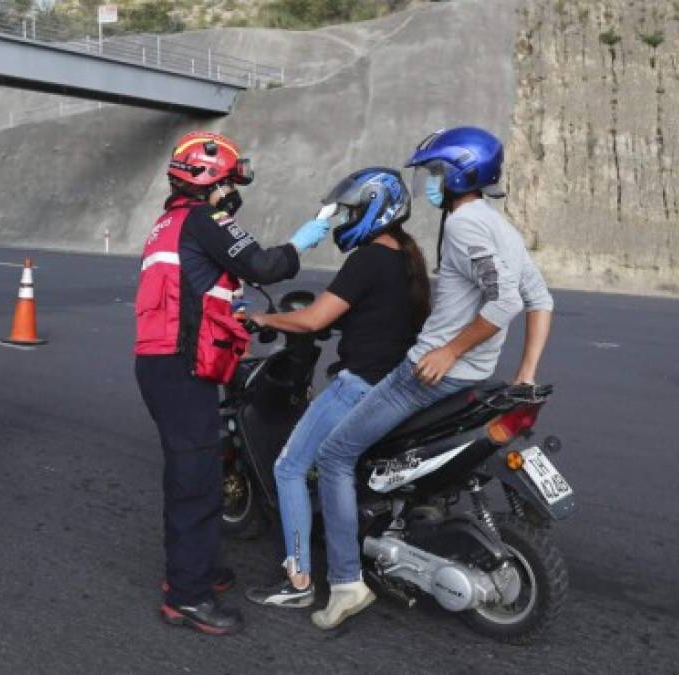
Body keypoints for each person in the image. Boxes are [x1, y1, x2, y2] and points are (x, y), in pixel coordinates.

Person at [310, 126, 555, 630]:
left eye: (435, 173)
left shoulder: (465, 226)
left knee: (335, 455)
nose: (430, 184)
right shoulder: (498, 225)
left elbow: (505, 302)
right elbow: (540, 298)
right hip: (477, 378)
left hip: (427, 373)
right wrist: (525, 372)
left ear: (459, 174)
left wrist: (448, 350)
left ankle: (345, 583)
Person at [134, 130, 332, 636]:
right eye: (228, 185)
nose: (232, 196)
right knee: (196, 480)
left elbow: (193, 293)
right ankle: (187, 595)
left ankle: (191, 567)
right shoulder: (205, 218)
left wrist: (233, 311)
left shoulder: (169, 222)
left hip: (166, 364)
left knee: (192, 471)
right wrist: (304, 240)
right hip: (179, 369)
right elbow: (263, 263)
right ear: (209, 182)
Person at [243, 168, 430, 609]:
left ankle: (298, 580)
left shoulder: (366, 259)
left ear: (373, 210)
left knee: (289, 466)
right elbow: (374, 313)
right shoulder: (405, 256)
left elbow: (312, 319)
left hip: (359, 384)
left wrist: (261, 319)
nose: (344, 221)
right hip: (394, 384)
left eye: (351, 211)